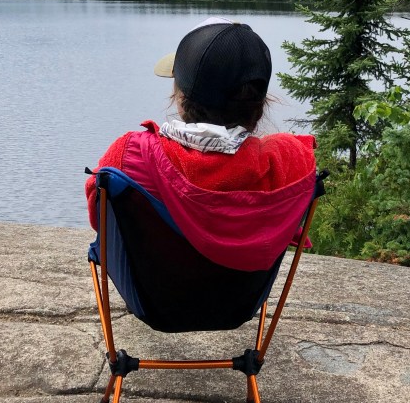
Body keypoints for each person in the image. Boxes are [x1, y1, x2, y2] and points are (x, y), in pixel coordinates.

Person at [85, 17, 317, 270]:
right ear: (259, 108)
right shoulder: (289, 161)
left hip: (152, 298)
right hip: (239, 302)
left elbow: (101, 219)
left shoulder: (131, 155)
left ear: (181, 98)